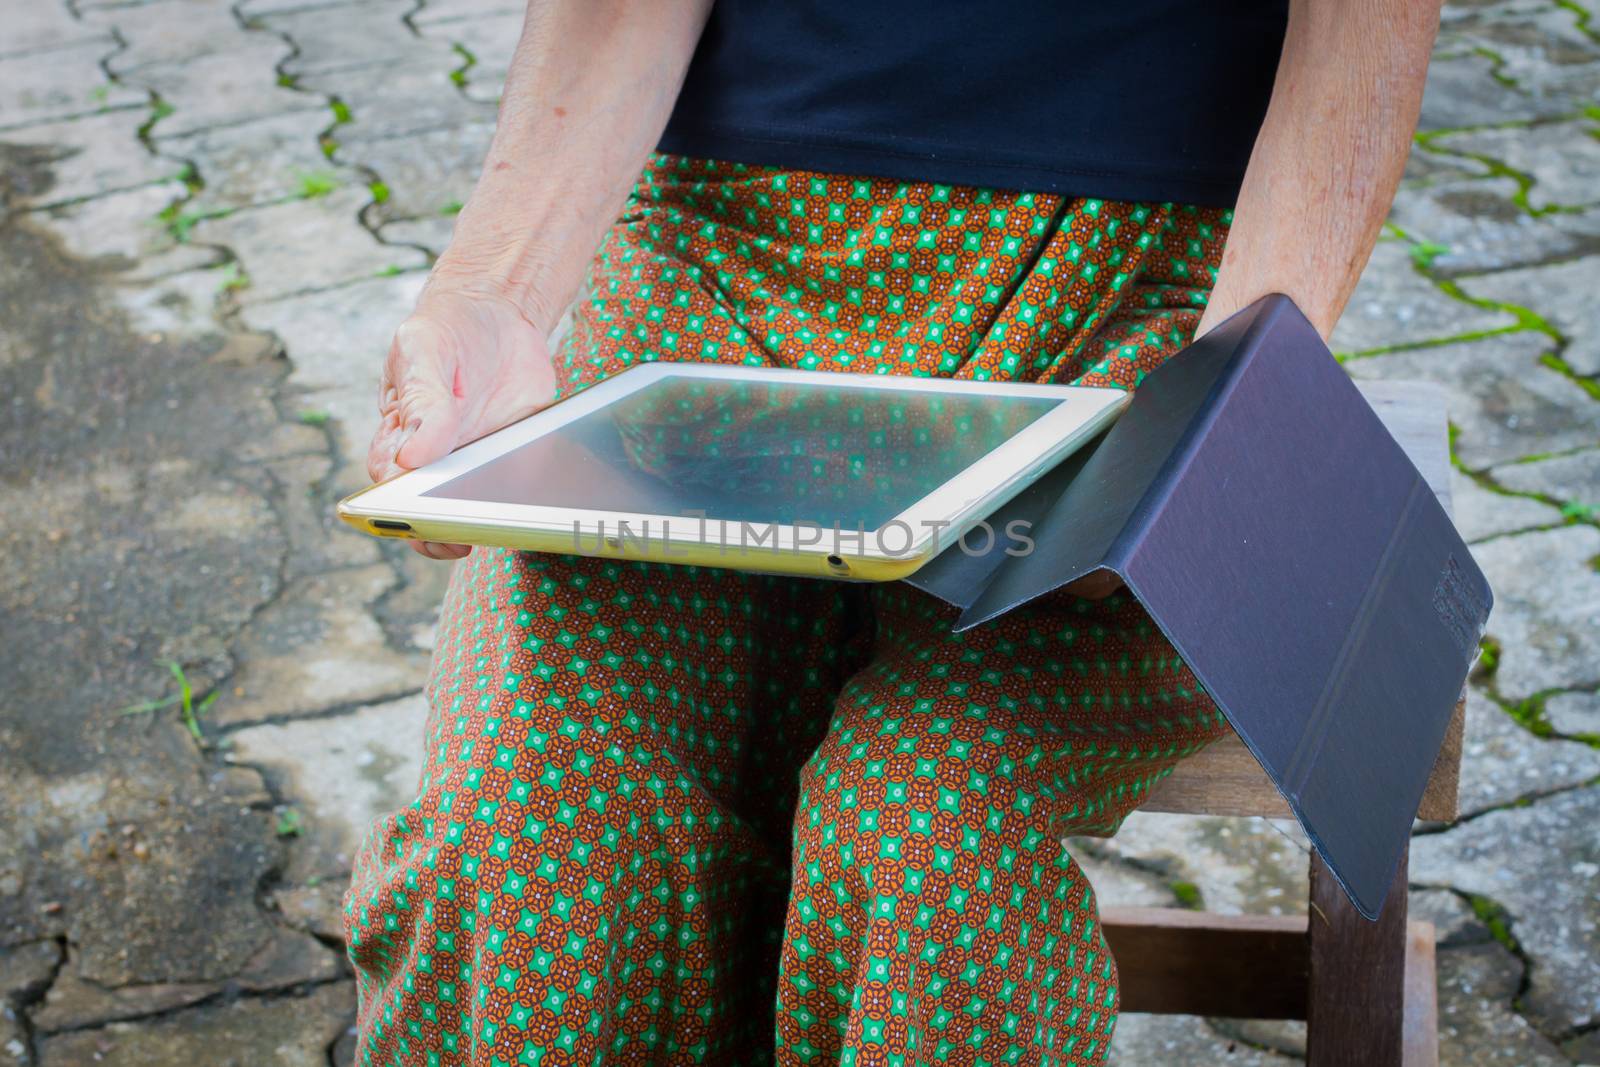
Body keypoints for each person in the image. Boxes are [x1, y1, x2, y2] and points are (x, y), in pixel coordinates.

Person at [352, 1, 1439, 1062]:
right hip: (714, 276)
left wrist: (1235, 381)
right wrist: (491, 293)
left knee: (923, 819)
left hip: (1133, 302)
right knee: (534, 816)